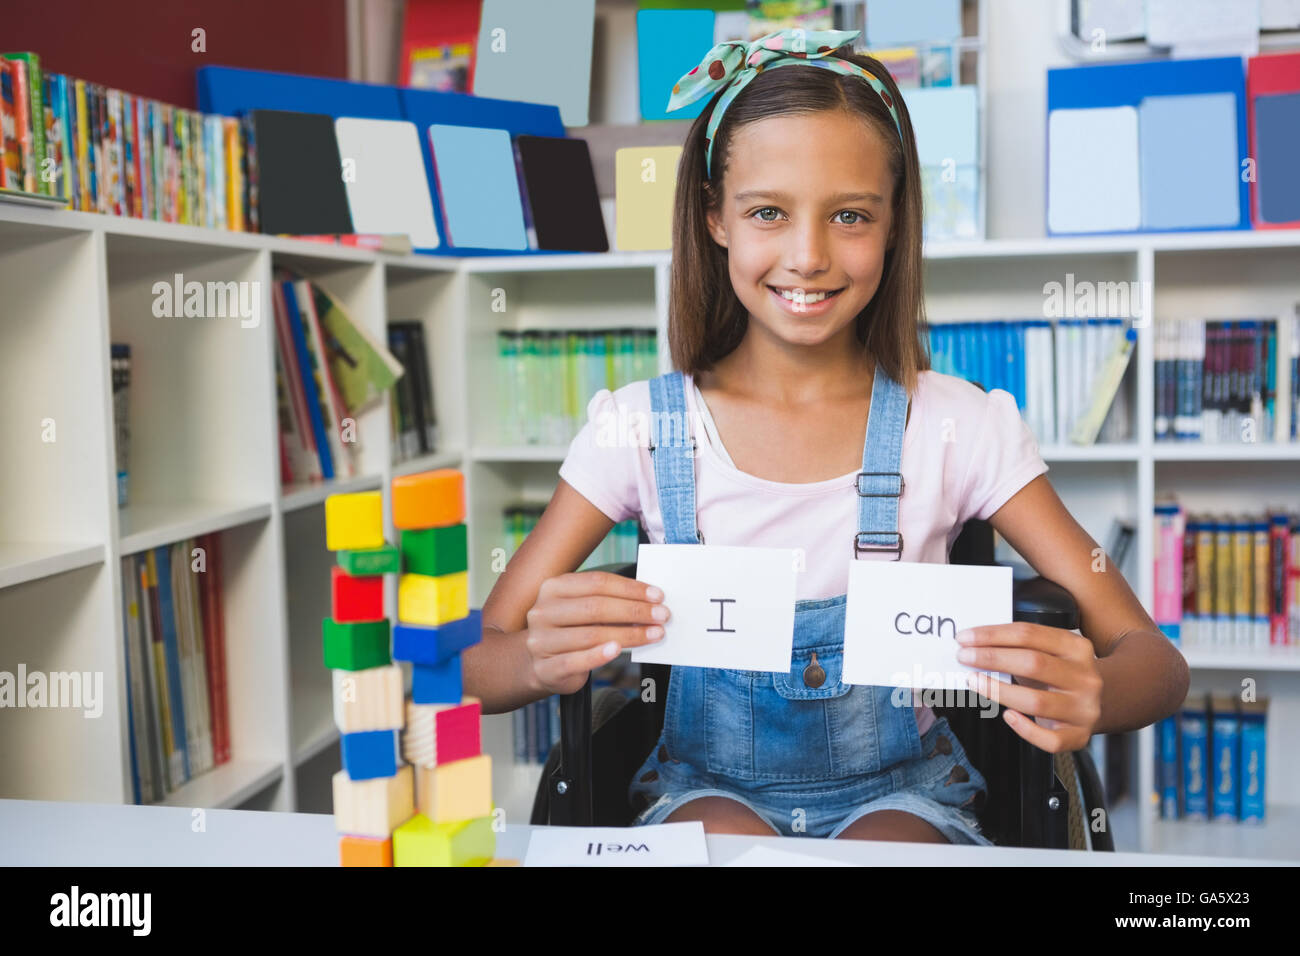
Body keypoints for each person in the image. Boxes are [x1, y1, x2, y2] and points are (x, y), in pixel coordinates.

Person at [466, 28, 1189, 843]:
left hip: (908, 796)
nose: (807, 257)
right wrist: (532, 659)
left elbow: (1156, 663)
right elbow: (474, 661)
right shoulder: (638, 428)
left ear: (892, 224)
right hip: (702, 788)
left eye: (849, 215)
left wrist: (1096, 688)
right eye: (768, 212)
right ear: (714, 218)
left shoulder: (959, 425)